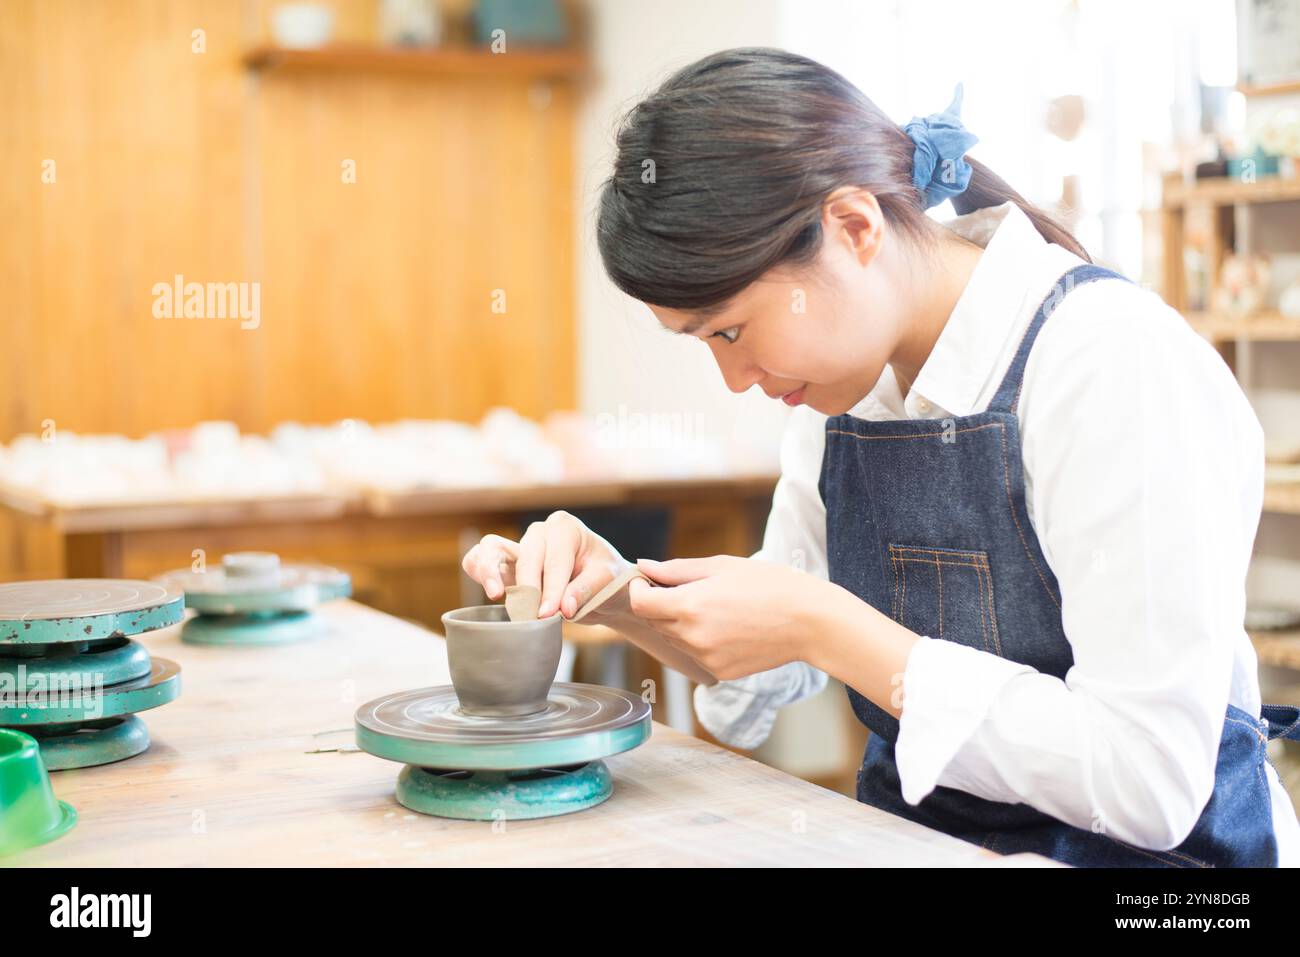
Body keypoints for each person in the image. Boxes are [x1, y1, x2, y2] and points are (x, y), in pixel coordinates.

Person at [461, 47, 1300, 867]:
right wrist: (619, 595)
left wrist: (823, 625)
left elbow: (1149, 784)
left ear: (854, 227)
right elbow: (756, 686)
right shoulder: (848, 389)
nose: (736, 378)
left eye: (731, 330)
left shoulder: (1109, 364)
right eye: (701, 343)